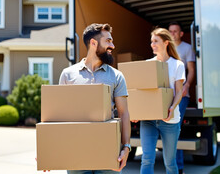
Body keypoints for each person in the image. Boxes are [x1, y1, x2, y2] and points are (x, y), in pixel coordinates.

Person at [59, 23, 131, 174]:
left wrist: (126, 147)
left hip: (109, 152)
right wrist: (51, 151)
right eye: (108, 41)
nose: (113, 45)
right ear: (93, 43)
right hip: (76, 152)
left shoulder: (116, 76)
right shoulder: (68, 75)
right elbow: (60, 116)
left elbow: (124, 113)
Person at [140, 28, 185, 174]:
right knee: (147, 158)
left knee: (170, 162)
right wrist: (137, 112)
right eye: (151, 41)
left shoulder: (177, 65)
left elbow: (179, 92)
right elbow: (143, 92)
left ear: (166, 43)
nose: (152, 44)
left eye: (156, 41)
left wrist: (171, 108)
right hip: (149, 119)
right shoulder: (148, 63)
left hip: (170, 120)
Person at [168, 22, 196, 174]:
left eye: (175, 31)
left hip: (182, 95)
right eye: (170, 31)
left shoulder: (186, 48)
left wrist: (187, 86)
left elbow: (191, 70)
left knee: (175, 127)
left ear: (181, 34)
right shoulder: (166, 48)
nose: (172, 34)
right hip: (167, 95)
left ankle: (178, 167)